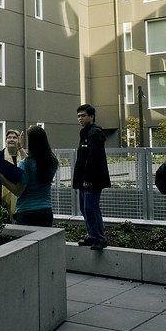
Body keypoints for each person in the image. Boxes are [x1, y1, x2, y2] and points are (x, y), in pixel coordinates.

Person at [0, 125, 57, 226]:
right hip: (46, 211)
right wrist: (20, 148)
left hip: (27, 212)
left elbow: (18, 191)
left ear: (32, 143)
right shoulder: (52, 161)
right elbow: (34, 164)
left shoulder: (25, 163)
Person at [72, 104, 110, 250]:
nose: (80, 118)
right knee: (84, 207)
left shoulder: (95, 133)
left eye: (83, 115)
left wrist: (88, 178)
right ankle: (92, 236)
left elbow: (93, 158)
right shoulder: (85, 133)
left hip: (91, 180)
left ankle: (99, 238)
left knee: (91, 208)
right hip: (84, 179)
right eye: (78, 116)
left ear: (91, 116)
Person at [0, 128, 26, 219]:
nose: (11, 139)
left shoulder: (22, 155)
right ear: (6, 140)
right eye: (9, 137)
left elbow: (28, 167)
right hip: (0, 198)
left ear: (18, 140)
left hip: (20, 197)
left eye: (14, 137)